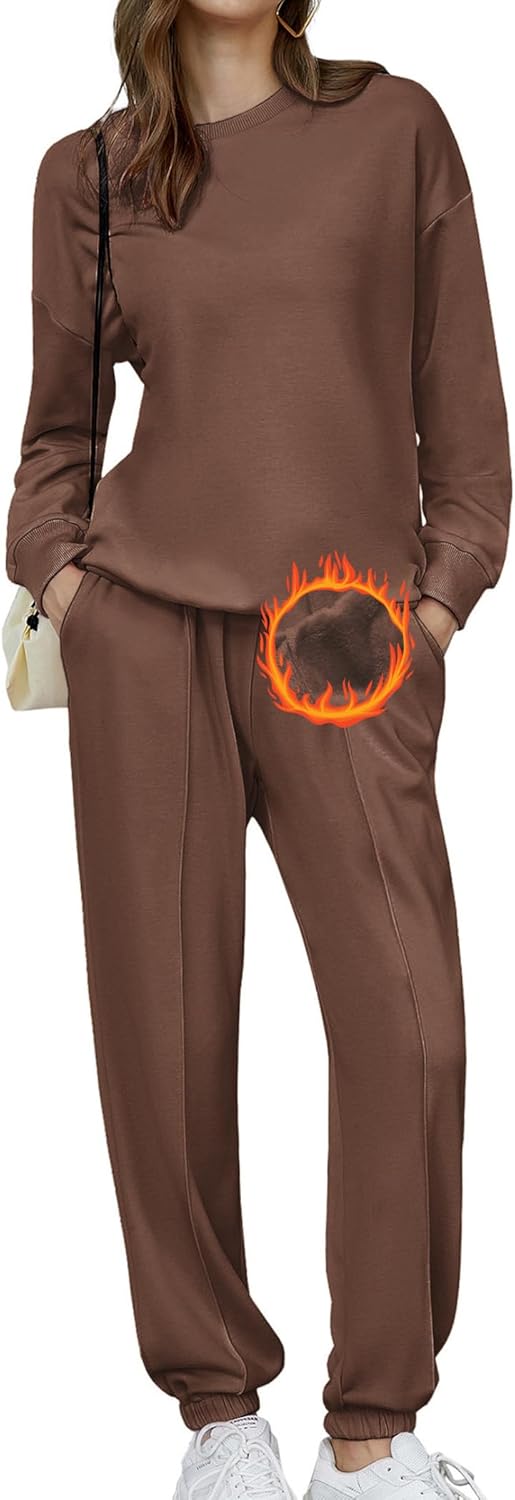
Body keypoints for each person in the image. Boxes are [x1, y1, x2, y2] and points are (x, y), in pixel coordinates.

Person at [5, 2, 511, 1497]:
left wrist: (433, 610)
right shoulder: (90, 172)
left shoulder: (395, 127)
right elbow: (53, 446)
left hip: (347, 640)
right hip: (146, 633)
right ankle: (221, 1416)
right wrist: (75, 593)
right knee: (160, 1038)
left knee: (409, 1023)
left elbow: (467, 434)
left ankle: (375, 1433)